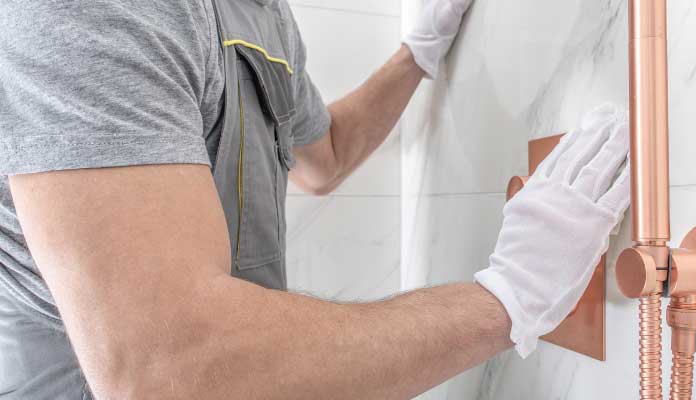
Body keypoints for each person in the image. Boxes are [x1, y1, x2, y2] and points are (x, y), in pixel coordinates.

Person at [0, 0, 630, 398]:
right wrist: (510, 298)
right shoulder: (81, 11)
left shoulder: (264, 15)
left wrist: (418, 55)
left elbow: (323, 154)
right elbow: (168, 370)